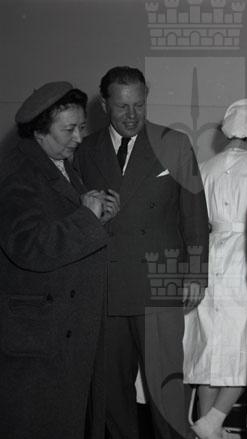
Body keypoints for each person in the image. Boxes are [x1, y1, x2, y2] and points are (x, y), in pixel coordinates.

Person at [75, 66, 210, 439]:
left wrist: (196, 275)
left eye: (139, 104)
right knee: (109, 390)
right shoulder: (85, 149)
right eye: (122, 107)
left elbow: (194, 214)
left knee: (166, 387)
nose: (132, 115)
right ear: (105, 106)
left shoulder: (174, 143)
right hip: (106, 280)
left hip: (161, 276)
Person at [0, 82, 119, 438]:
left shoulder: (56, 162)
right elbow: (29, 245)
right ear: (39, 131)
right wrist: (86, 217)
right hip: (39, 336)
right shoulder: (17, 174)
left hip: (63, 326)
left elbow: (59, 220)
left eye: (81, 127)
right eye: (69, 129)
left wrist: (97, 217)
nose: (79, 138)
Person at [183, 98, 247, 439]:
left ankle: (207, 423)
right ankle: (213, 422)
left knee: (208, 346)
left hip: (208, 257)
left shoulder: (203, 168)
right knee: (244, 343)